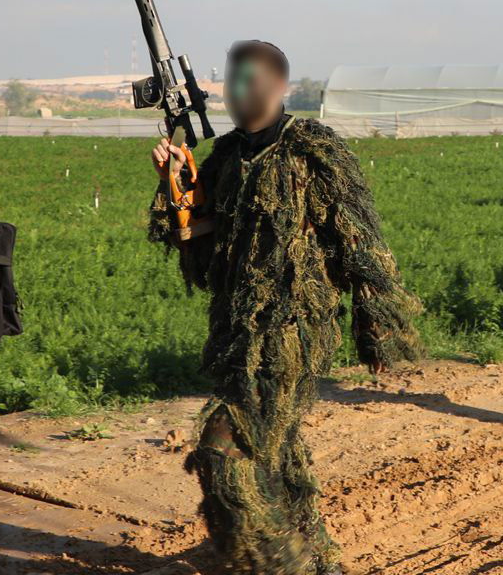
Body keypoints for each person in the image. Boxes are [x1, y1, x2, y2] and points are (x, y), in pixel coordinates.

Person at [148, 40, 422, 575]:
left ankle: (280, 565)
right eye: (232, 81)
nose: (237, 91)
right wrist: (178, 186)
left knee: (224, 446)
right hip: (234, 330)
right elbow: (204, 262)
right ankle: (317, 561)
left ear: (279, 88)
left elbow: (360, 240)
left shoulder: (312, 150)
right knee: (276, 455)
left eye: (250, 80)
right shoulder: (225, 156)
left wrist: (376, 328)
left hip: (293, 330)